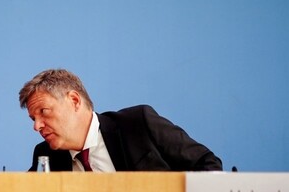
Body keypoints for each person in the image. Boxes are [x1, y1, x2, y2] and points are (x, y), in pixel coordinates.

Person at [19, 68, 222, 172]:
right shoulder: (45, 156)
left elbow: (207, 164)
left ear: (74, 101)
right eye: (33, 119)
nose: (37, 126)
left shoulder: (138, 124)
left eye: (44, 112)